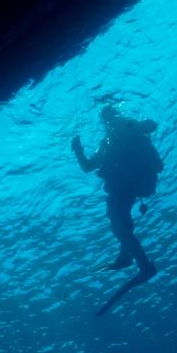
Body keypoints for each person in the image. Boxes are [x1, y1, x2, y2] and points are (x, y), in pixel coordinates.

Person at [71, 106, 162, 310]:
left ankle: (143, 265)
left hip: (130, 184)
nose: (108, 122)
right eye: (106, 119)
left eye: (109, 117)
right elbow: (87, 167)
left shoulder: (127, 127)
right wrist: (78, 149)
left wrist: (137, 125)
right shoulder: (106, 143)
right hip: (123, 187)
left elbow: (151, 126)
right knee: (118, 220)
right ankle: (126, 256)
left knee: (118, 223)